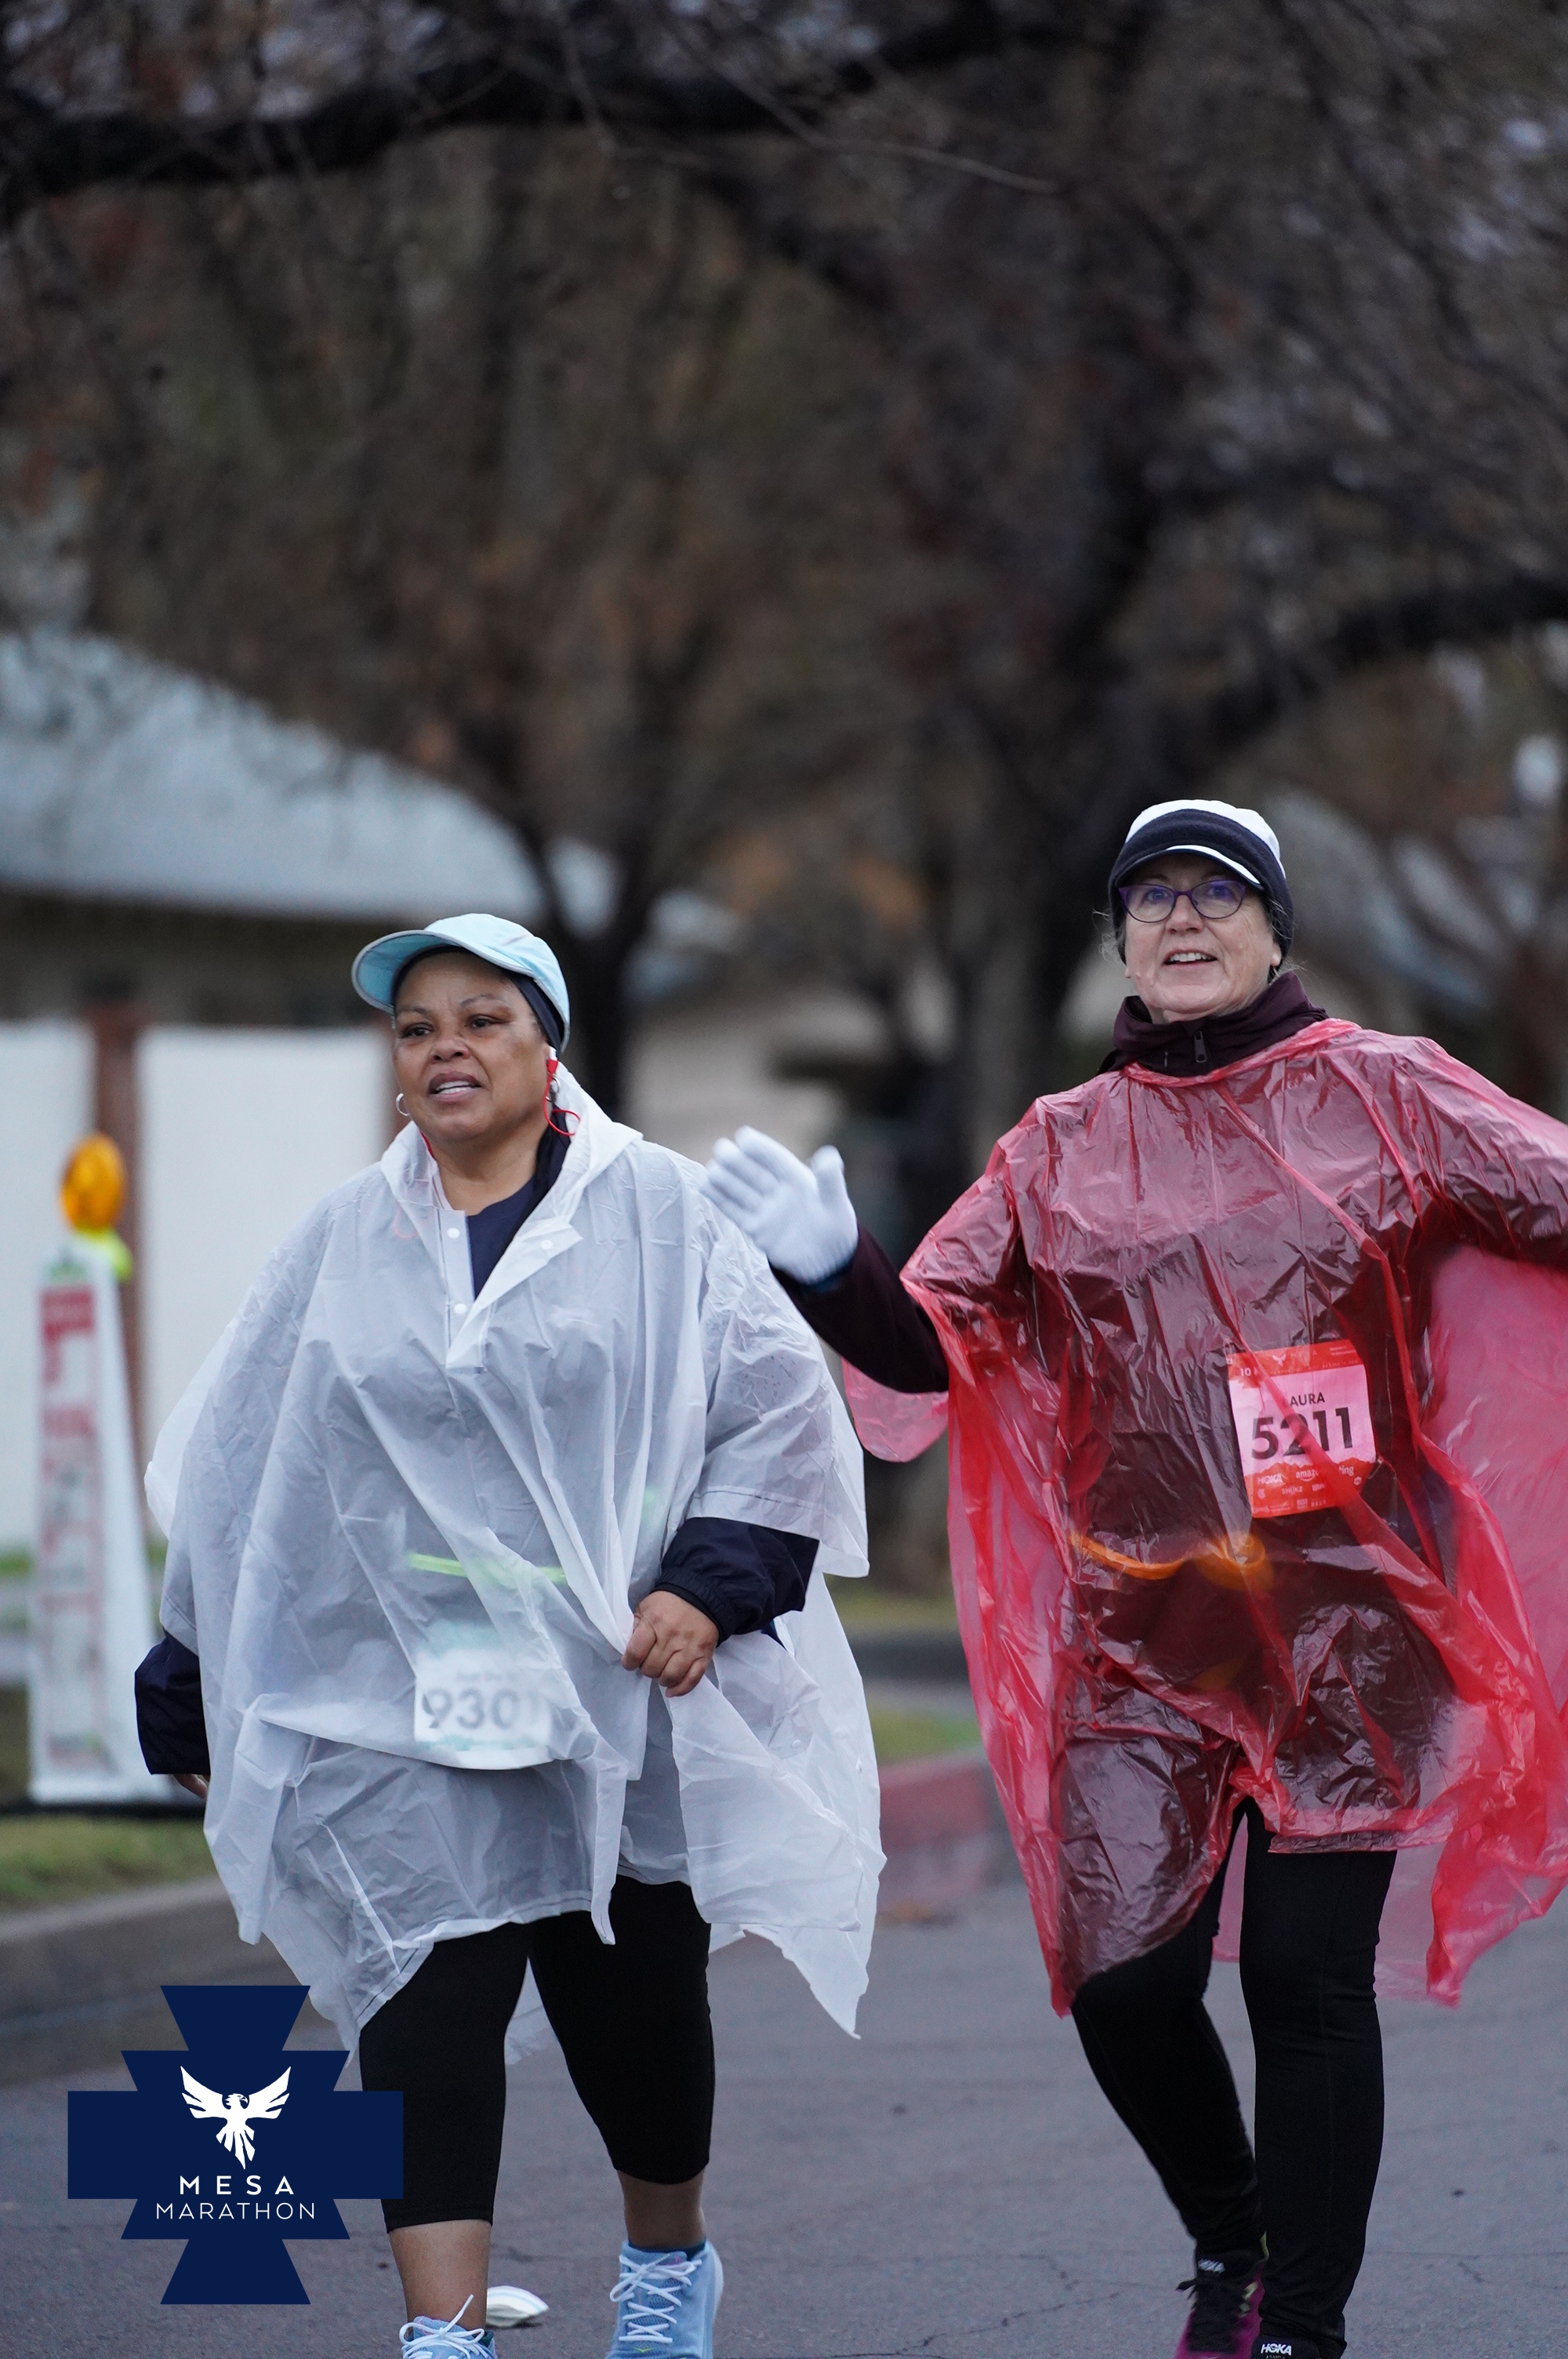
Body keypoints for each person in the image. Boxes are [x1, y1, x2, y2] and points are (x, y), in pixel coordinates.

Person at [702, 799, 1568, 2359]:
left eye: (1216, 892)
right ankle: (1232, 2236)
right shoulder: (1055, 1146)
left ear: (1274, 929)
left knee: (1305, 1984)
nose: (1182, 917)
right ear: (1119, 938)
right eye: (1150, 896)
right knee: (1121, 1987)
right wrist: (831, 1268)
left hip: (1347, 1629)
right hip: (1141, 1642)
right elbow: (930, 1351)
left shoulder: (1389, 1091)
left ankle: (1300, 2329)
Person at [136, 911, 880, 2359]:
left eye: (481, 1020)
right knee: (423, 1998)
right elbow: (241, 1460)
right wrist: (189, 1683)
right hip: (405, 1696)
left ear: (549, 1050)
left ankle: (667, 2268)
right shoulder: (343, 1240)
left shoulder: (660, 1214)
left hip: (616, 1686)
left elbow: (778, 1415)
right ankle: (445, 2335)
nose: (446, 1051)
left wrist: (706, 1588)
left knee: (632, 2009)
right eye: (417, 1030)